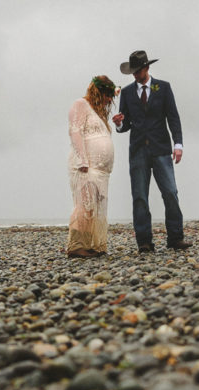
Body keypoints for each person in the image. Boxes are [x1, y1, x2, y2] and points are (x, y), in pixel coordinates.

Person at [113, 50, 190, 253]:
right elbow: (125, 123)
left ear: (147, 68)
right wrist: (119, 124)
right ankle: (144, 242)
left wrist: (178, 144)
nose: (135, 75)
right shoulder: (128, 93)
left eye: (138, 71)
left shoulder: (163, 88)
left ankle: (175, 237)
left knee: (171, 193)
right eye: (133, 72)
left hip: (162, 149)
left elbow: (173, 117)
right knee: (139, 197)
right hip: (138, 150)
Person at [67, 75, 118, 258]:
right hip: (86, 166)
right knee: (85, 204)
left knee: (96, 206)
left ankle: (91, 245)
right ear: (99, 92)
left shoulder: (98, 113)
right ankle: (76, 246)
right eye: (108, 95)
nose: (110, 100)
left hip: (101, 171)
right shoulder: (80, 104)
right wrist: (82, 160)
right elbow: (75, 132)